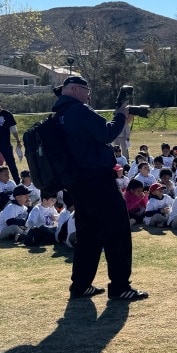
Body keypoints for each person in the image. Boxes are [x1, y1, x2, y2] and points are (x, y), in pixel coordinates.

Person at [52, 76, 147, 301]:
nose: (89, 96)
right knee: (118, 231)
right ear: (75, 89)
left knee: (89, 235)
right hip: (97, 179)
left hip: (78, 182)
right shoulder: (77, 110)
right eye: (87, 91)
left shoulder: (60, 113)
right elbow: (106, 133)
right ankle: (120, 286)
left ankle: (81, 285)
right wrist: (121, 116)